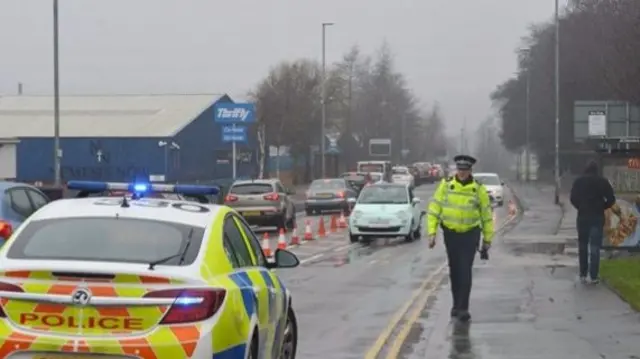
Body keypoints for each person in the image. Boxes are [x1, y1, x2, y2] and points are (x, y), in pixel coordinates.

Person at [426, 154, 494, 322]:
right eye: (460, 170)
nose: (462, 173)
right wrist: (431, 232)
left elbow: (486, 215)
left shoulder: (478, 189)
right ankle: (456, 304)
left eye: (465, 170)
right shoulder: (446, 186)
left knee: (465, 270)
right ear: (457, 170)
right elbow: (434, 209)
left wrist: (487, 239)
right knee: (455, 271)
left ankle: (463, 307)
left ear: (470, 171)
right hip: (451, 234)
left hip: (470, 234)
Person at [569, 160, 618, 284]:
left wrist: (580, 206)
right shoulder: (602, 182)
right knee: (595, 246)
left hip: (583, 216)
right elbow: (611, 199)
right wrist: (603, 206)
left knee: (583, 245)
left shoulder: (579, 182)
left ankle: (583, 274)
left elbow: (572, 198)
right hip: (597, 216)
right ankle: (594, 275)